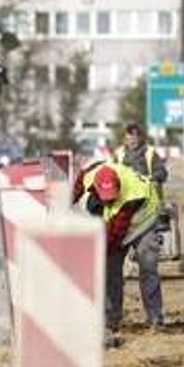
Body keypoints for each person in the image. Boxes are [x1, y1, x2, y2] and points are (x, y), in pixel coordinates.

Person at [72, 161, 165, 335]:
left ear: (118, 186)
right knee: (111, 269)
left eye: (112, 196)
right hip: (116, 223)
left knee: (147, 264)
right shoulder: (90, 175)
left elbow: (114, 236)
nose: (109, 200)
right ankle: (112, 319)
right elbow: (77, 187)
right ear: (95, 187)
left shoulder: (130, 197)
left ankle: (155, 318)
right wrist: (64, 204)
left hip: (143, 219)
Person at [114, 122, 168, 189]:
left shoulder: (150, 152)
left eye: (135, 137)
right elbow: (112, 173)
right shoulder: (119, 153)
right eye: (130, 138)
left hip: (148, 195)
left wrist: (150, 178)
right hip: (126, 195)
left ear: (140, 138)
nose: (133, 141)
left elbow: (162, 172)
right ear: (125, 138)